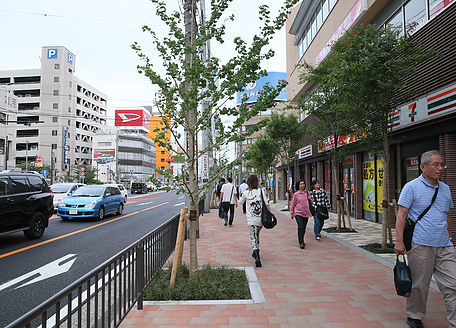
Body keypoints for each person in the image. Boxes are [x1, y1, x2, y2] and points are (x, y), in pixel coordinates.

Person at [394, 150, 455, 328]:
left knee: (453, 284)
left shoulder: (445, 189)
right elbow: (401, 215)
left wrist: (450, 238)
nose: (440, 168)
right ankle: (414, 315)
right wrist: (399, 241)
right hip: (421, 244)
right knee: (420, 285)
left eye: (442, 164)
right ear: (423, 167)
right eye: (435, 164)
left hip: (444, 245)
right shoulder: (411, 187)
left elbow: (447, 214)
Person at [239, 174, 270, 267]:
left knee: (253, 237)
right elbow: (266, 203)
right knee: (256, 235)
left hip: (251, 220)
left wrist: (244, 193)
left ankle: (257, 256)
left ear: (248, 183)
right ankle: (255, 250)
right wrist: (270, 214)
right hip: (261, 220)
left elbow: (240, 202)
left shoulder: (246, 193)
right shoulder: (261, 191)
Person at [290, 180, 314, 249]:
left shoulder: (307, 193)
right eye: (301, 184)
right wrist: (292, 212)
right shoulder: (296, 194)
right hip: (298, 212)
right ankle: (301, 242)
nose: (302, 185)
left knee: (303, 227)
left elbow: (312, 201)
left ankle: (301, 238)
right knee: (300, 227)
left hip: (306, 212)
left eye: (303, 184)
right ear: (298, 185)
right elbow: (293, 204)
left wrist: (310, 199)